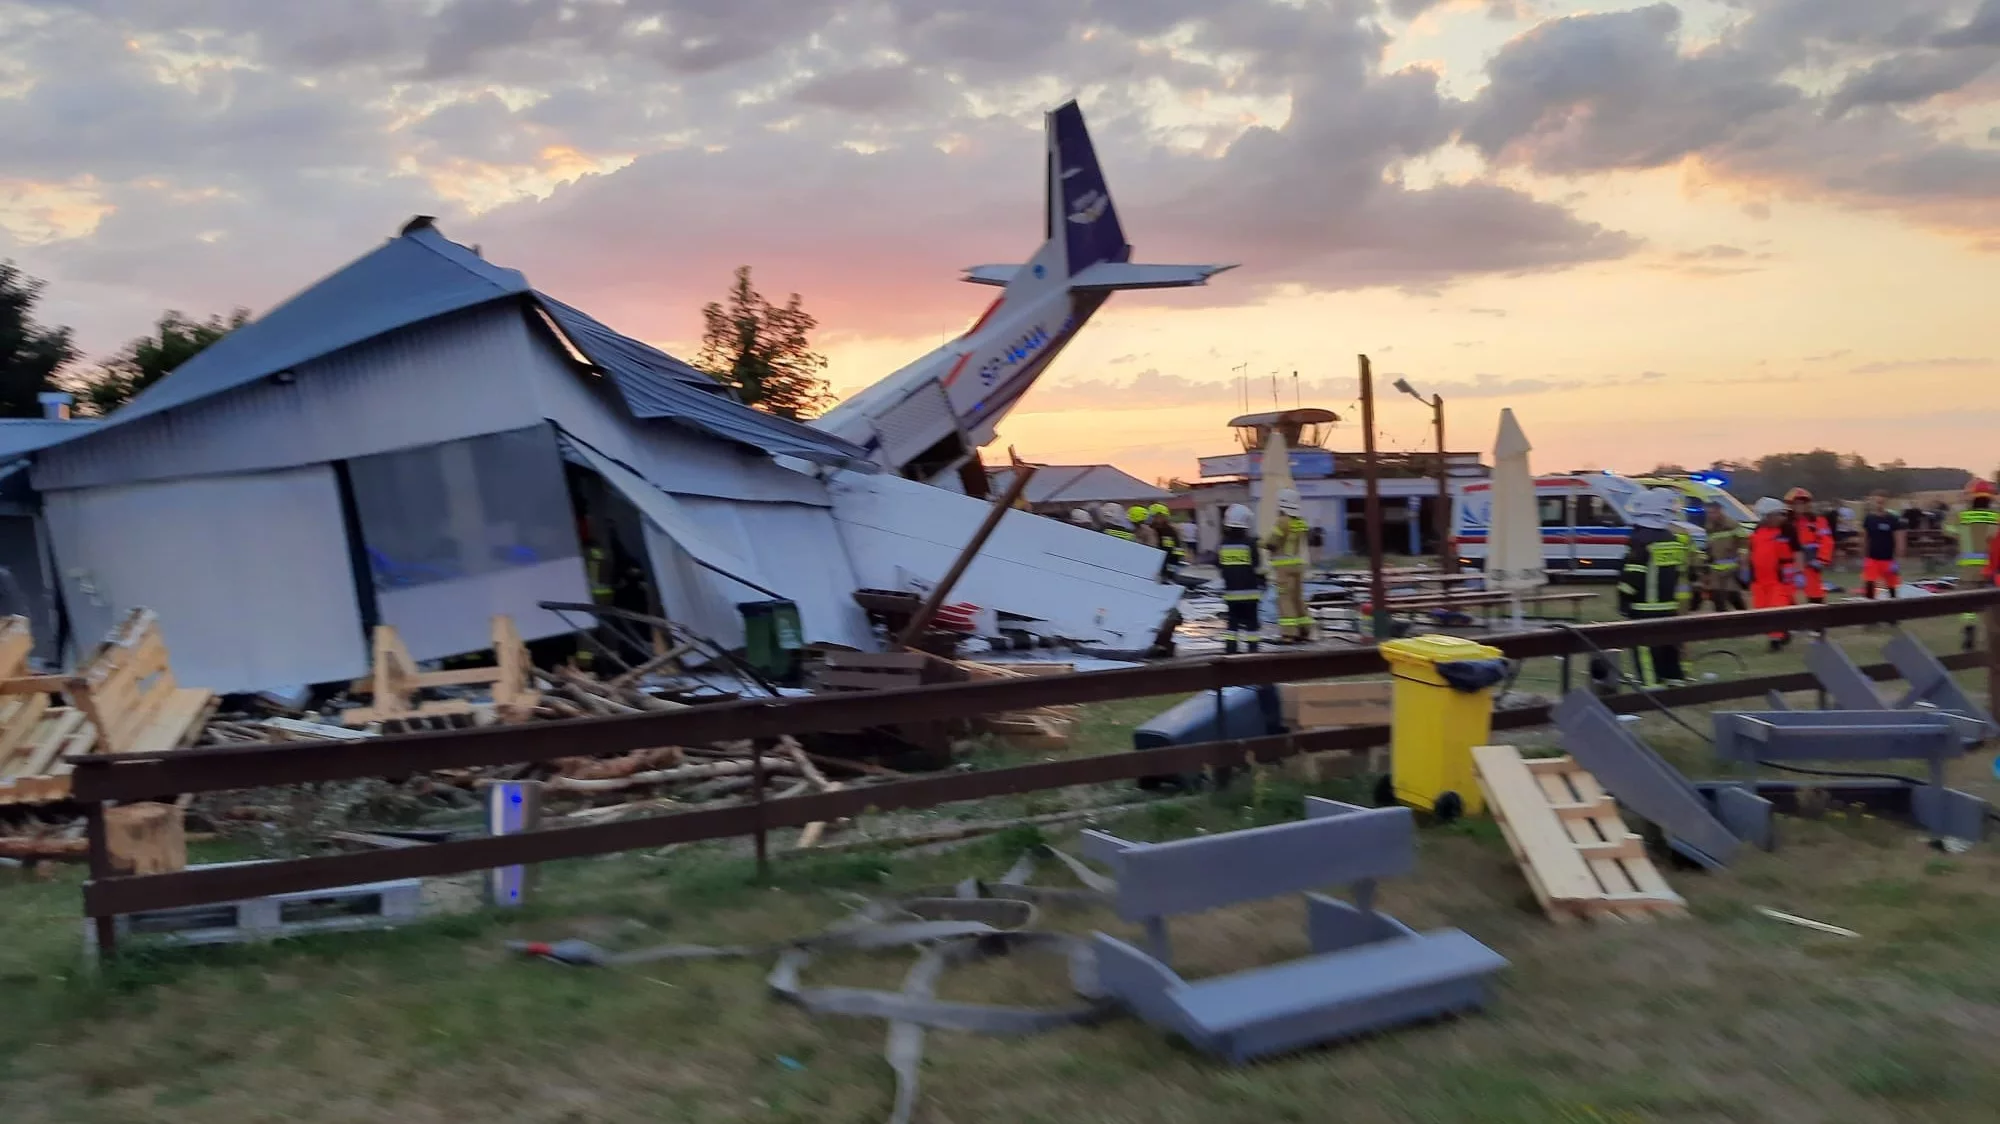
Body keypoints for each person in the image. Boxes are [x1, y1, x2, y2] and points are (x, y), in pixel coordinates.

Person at [1616, 489, 1690, 686]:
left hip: (1643, 609)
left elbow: (1632, 575)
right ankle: (1675, 681)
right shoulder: (1672, 539)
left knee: (1645, 650)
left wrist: (1624, 602)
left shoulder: (1641, 541)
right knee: (1669, 647)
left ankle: (1651, 686)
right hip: (1668, 607)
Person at [1951, 478, 1999, 649]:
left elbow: (1948, 530)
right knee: (1993, 605)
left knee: (1968, 604)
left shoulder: (1960, 515)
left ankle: (1969, 631)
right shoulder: (1996, 515)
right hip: (1992, 568)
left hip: (1968, 569)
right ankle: (1993, 638)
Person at [1745, 497, 1797, 650]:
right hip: (1759, 579)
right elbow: (1752, 551)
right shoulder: (1757, 532)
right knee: (1762, 610)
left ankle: (1776, 640)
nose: (1781, 518)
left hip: (1777, 579)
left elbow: (1794, 552)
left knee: (1777, 608)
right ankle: (1781, 633)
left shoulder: (1785, 530)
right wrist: (1747, 570)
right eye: (1778, 514)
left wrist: (1794, 572)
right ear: (1767, 516)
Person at [1263, 487, 1313, 642]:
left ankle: (1289, 634)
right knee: (1298, 598)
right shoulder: (1301, 523)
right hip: (1297, 565)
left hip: (1284, 568)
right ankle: (1305, 629)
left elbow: (1272, 542)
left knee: (1284, 599)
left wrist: (1259, 543)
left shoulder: (1282, 521)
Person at [1217, 503, 1265, 653]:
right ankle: (1253, 649)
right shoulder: (1250, 543)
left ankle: (1231, 648)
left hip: (1231, 592)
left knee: (1232, 622)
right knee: (1251, 623)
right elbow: (1257, 566)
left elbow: (1220, 565)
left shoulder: (1223, 544)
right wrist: (1263, 581)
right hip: (1250, 592)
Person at [1784, 487, 1833, 603]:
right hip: (1790, 565)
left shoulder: (1818, 521)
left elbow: (1827, 541)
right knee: (1788, 597)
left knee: (1815, 595)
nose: (1800, 506)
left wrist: (1822, 560)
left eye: (1803, 503)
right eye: (1796, 503)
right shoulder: (1785, 522)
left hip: (1811, 564)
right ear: (1790, 505)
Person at [1701, 500, 1747, 611]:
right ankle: (1721, 623)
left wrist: (1742, 562)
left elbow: (1744, 542)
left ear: (1719, 511)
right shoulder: (1709, 527)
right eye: (1708, 513)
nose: (1710, 516)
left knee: (1734, 597)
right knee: (1717, 599)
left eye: (1713, 512)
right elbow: (1708, 548)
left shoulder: (1732, 525)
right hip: (1716, 570)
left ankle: (1746, 619)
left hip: (1731, 570)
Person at [1859, 491, 1905, 600]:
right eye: (1877, 502)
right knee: (1869, 584)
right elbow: (1864, 538)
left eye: (1882, 502)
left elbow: (1898, 538)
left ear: (1886, 503)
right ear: (1874, 502)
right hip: (1872, 558)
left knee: (1892, 587)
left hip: (1888, 558)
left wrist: (1898, 556)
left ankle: (1893, 607)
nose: (1879, 504)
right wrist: (1863, 554)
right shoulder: (1869, 519)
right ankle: (1869, 606)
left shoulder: (1892, 519)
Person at [1149, 503, 1186, 576]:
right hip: (1152, 563)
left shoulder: (1170, 531)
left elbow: (1177, 548)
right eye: (1152, 516)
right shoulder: (1150, 529)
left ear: (1162, 516)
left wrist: (1173, 565)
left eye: (1155, 516)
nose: (1153, 518)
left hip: (1168, 563)